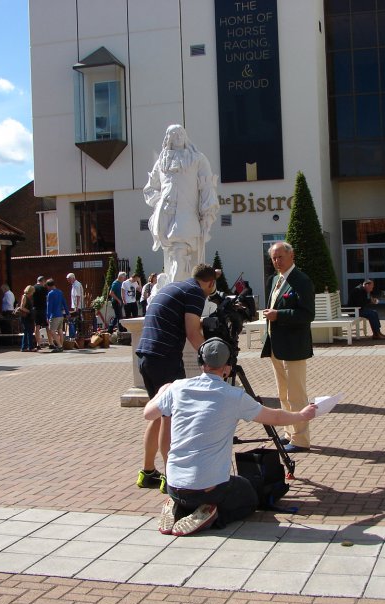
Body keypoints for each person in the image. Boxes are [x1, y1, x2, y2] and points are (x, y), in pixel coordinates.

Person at [145, 337, 318, 536]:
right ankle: (213, 515)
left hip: (173, 485)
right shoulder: (234, 396)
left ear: (201, 363)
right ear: (228, 367)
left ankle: (178, 506)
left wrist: (162, 390)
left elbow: (148, 414)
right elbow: (274, 416)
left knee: (192, 492)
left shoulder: (177, 388)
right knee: (249, 496)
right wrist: (302, 415)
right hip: (209, 489)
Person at [135, 263, 218, 491]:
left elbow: (181, 323)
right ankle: (171, 478)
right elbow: (192, 333)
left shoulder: (176, 288)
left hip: (146, 355)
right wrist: (213, 361)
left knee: (158, 413)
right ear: (210, 283)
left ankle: (148, 472)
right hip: (164, 357)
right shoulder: (195, 293)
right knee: (170, 418)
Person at [143, 124, 219, 282]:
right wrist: (160, 202)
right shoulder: (161, 162)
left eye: (181, 133)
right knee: (173, 254)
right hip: (166, 216)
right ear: (168, 138)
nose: (178, 137)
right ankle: (178, 289)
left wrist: (208, 212)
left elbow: (207, 186)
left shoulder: (197, 158)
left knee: (180, 252)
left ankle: (177, 291)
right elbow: (149, 189)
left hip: (186, 214)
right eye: (174, 134)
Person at [261, 242, 314, 453]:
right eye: (273, 258)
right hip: (276, 345)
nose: (276, 262)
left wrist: (278, 315)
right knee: (283, 394)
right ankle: (289, 433)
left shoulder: (301, 280)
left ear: (291, 256)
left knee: (297, 395)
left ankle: (301, 440)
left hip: (293, 347)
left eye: (280, 257)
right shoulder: (275, 280)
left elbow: (308, 314)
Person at [45, 278, 68, 352]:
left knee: (52, 331)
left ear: (48, 286)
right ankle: (61, 345)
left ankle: (60, 346)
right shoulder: (60, 292)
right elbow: (64, 302)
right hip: (60, 314)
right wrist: (67, 312)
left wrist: (48, 316)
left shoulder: (50, 293)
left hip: (54, 315)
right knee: (60, 330)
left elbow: (49, 306)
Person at [19, 285, 36, 352]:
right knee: (28, 332)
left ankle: (24, 347)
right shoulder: (25, 297)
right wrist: (29, 311)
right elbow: (21, 307)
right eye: (32, 292)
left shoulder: (28, 297)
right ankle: (30, 347)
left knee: (27, 332)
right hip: (26, 317)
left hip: (29, 317)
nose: (33, 293)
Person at [33, 276, 48, 348]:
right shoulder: (44, 289)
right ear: (43, 281)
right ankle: (51, 343)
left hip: (35, 309)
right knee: (47, 326)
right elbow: (47, 299)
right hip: (44, 309)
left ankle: (38, 344)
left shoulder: (33, 288)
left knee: (37, 326)